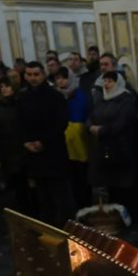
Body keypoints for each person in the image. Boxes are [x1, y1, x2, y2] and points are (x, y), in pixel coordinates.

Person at [18, 61, 75, 226]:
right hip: (34, 154)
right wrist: (26, 142)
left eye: (36, 74)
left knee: (61, 195)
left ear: (43, 75)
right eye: (29, 75)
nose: (33, 78)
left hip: (54, 152)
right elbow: (19, 123)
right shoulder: (22, 97)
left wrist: (43, 142)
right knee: (43, 197)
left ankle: (67, 228)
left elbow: (61, 123)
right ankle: (49, 228)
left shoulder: (54, 96)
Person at [87, 70, 137, 212]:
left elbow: (122, 122)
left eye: (110, 81)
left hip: (121, 147)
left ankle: (130, 214)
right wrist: (90, 126)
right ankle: (116, 215)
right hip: (105, 148)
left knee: (124, 186)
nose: (107, 84)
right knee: (111, 185)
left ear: (118, 82)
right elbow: (91, 115)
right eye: (105, 81)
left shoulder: (126, 99)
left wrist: (102, 130)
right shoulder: (101, 99)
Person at [54, 67, 92, 209]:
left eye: (63, 78)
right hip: (62, 143)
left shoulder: (80, 95)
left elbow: (82, 115)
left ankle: (85, 205)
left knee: (81, 176)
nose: (61, 81)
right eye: (58, 78)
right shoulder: (56, 96)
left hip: (79, 141)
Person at [0, 77, 29, 212]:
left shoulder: (21, 103)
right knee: (13, 183)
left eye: (7, 86)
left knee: (25, 182)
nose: (4, 89)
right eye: (2, 86)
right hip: (6, 148)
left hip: (22, 146)